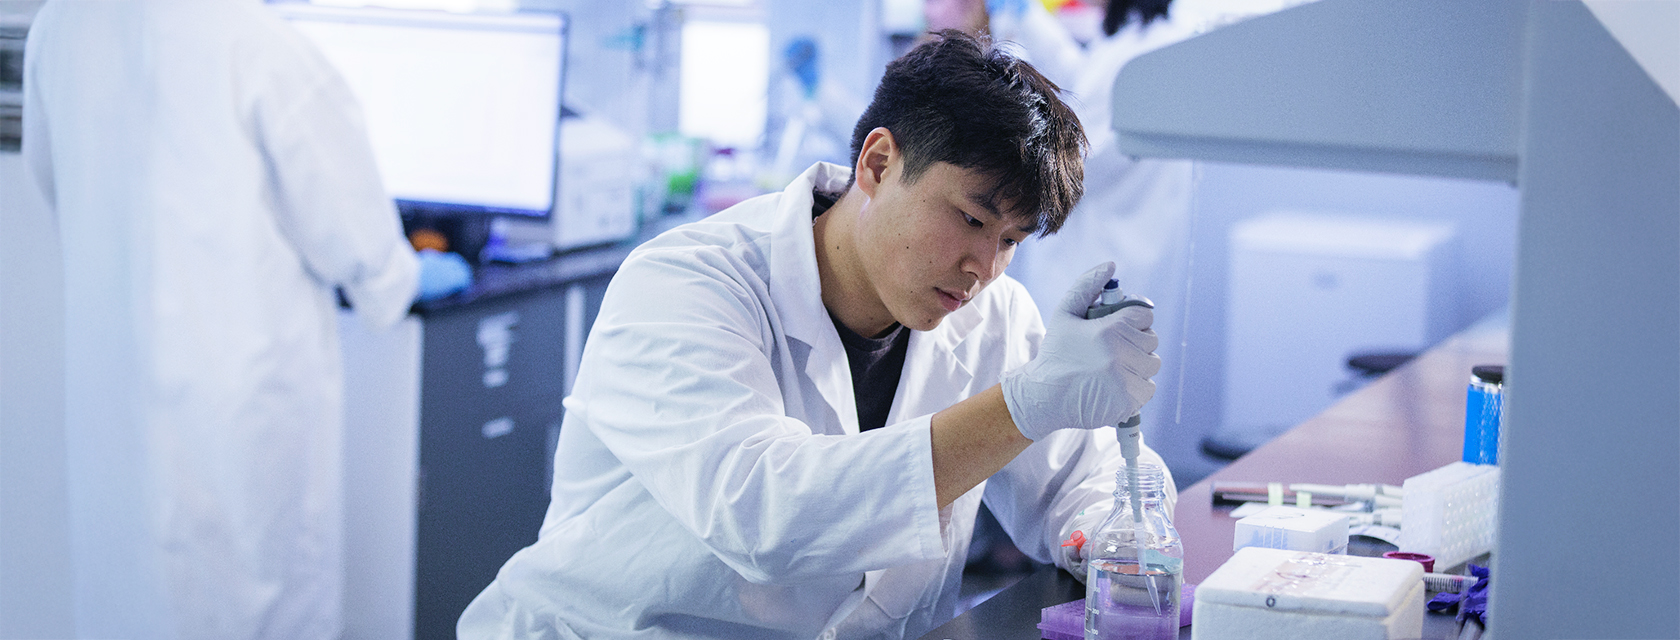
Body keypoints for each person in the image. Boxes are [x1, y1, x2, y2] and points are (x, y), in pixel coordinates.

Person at [458, 30, 1174, 639]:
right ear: (878, 163)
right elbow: (764, 515)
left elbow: (1088, 481)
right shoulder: (685, 284)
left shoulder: (992, 316)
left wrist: (1114, 530)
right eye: (972, 219)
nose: (983, 268)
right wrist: (1023, 407)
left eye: (1013, 240)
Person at [21, 0, 467, 637]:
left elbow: (54, 180)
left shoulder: (60, 28)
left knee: (129, 599)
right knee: (252, 599)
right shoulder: (260, 49)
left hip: (116, 392)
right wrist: (403, 275)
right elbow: (357, 243)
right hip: (239, 402)